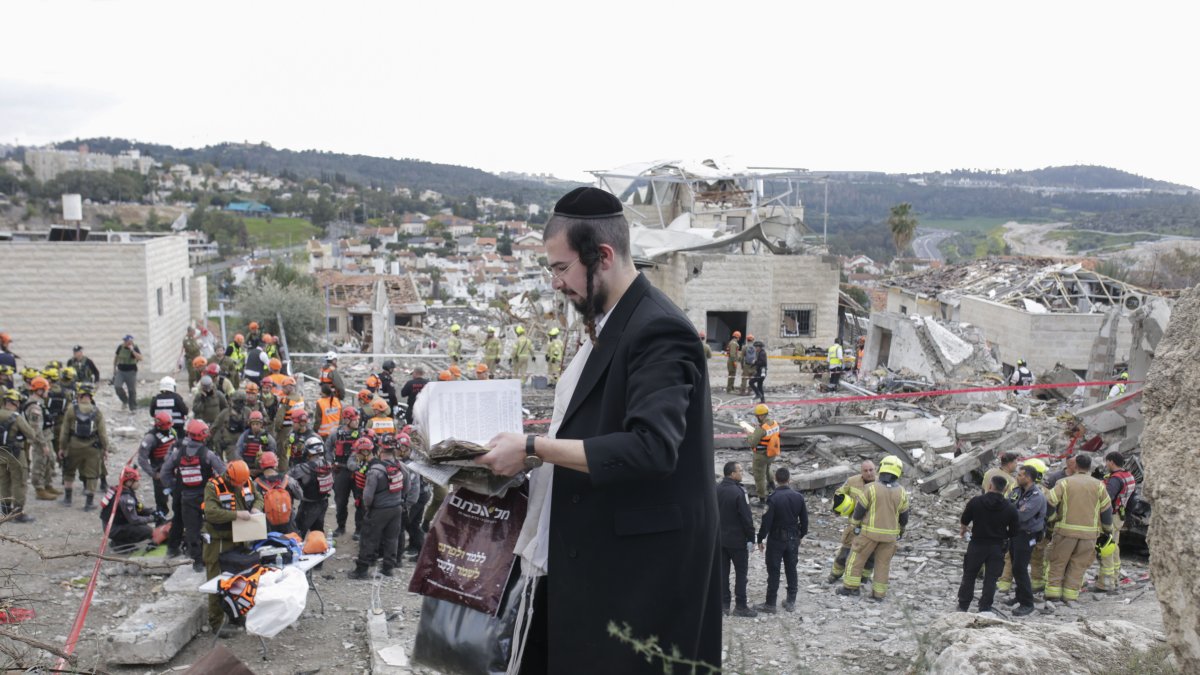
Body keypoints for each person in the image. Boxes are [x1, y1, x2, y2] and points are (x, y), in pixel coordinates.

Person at [476, 186, 721, 673]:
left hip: (638, 582)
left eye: (561, 268)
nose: (555, 284)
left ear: (602, 256)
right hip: (592, 567)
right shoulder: (613, 320)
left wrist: (534, 447)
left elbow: (651, 448)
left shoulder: (657, 329)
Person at [201, 459, 262, 634]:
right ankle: (217, 623)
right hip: (219, 541)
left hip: (242, 539)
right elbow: (211, 513)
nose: (240, 485)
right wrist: (235, 515)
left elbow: (258, 497)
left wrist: (256, 508)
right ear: (229, 476)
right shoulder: (213, 487)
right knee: (216, 582)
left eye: (243, 482)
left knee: (239, 580)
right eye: (237, 483)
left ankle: (237, 615)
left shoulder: (247, 481)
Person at [1044, 453, 1113, 605]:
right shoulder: (1099, 485)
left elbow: (1050, 501)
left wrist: (1051, 520)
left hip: (1065, 532)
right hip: (1089, 535)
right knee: (1079, 565)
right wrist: (1108, 530)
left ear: (1075, 466)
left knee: (1058, 562)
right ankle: (1070, 595)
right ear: (1091, 467)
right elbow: (1107, 510)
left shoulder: (1064, 483)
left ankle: (1053, 594)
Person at [839, 455, 909, 600]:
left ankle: (851, 588)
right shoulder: (901, 492)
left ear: (881, 468)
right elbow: (904, 516)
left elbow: (859, 509)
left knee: (856, 558)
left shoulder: (871, 488)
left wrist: (855, 524)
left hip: (868, 533)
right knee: (883, 565)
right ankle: (879, 594)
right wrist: (901, 530)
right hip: (890, 537)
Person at [160, 419, 226, 570]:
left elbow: (164, 472)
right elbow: (223, 472)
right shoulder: (208, 454)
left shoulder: (178, 453)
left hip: (186, 497)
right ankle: (214, 555)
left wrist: (173, 486)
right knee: (213, 524)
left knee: (191, 529)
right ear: (203, 435)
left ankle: (197, 561)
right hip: (206, 497)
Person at [348, 435, 416, 579]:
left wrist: (368, 507)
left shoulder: (375, 470)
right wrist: (397, 499)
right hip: (397, 508)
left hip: (379, 509)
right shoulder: (401, 466)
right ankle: (388, 568)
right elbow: (407, 487)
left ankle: (362, 570)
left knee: (369, 538)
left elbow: (367, 496)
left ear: (379, 449)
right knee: (392, 539)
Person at [957, 475, 1020, 613]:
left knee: (969, 575)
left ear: (990, 486)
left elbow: (965, 520)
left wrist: (964, 530)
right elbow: (1015, 531)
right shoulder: (1010, 507)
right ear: (1006, 489)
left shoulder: (976, 501)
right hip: (997, 547)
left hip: (977, 544)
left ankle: (963, 605)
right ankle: (985, 607)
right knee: (991, 579)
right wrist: (1004, 536)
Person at [755, 467, 808, 614]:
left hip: (776, 539)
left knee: (774, 570)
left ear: (776, 480)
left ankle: (770, 603)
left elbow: (766, 521)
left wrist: (760, 538)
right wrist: (800, 536)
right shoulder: (798, 497)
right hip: (792, 538)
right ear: (789, 479)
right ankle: (791, 601)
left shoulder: (773, 498)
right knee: (791, 569)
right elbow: (804, 520)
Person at [1004, 461, 1047, 616]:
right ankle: (1019, 595)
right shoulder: (1017, 491)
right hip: (1016, 534)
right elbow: (1006, 505)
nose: (1017, 477)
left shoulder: (1036, 496)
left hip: (1027, 534)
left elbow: (1022, 515)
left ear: (1028, 478)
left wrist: (1012, 510)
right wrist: (1013, 509)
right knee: (1015, 564)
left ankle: (1027, 603)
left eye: (1020, 475)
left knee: (1020, 568)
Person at [59, 383, 110, 511]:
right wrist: (105, 448)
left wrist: (62, 447)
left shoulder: (71, 409)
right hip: (92, 447)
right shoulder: (96, 410)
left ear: (79, 395)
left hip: (73, 445)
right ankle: (89, 503)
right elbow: (102, 433)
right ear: (90, 396)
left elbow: (64, 431)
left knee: (69, 471)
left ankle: (67, 499)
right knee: (92, 474)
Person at [716, 461, 756, 618]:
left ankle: (724, 604)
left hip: (719, 539)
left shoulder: (716, 489)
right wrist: (751, 538)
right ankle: (740, 606)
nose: (742, 473)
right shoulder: (739, 492)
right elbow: (746, 518)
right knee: (741, 573)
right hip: (737, 540)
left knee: (723, 572)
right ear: (732, 474)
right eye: (740, 470)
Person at [828, 460, 877, 583]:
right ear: (861, 472)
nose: (869, 473)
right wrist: (837, 507)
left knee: (871, 555)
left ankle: (864, 578)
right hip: (854, 525)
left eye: (871, 470)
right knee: (844, 552)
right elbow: (839, 493)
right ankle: (835, 574)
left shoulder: (881, 485)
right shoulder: (852, 481)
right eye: (865, 470)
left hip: (872, 527)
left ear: (875, 470)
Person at [1096, 451, 1136, 593]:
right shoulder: (1129, 476)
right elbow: (1132, 499)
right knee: (1114, 546)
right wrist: (1129, 515)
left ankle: (1105, 584)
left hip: (1110, 516)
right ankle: (1115, 577)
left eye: (1107, 462)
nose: (1106, 465)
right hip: (1120, 515)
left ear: (1111, 462)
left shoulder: (1115, 479)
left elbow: (1107, 498)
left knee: (1106, 547)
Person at [0, 389, 42, 522]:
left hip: (1, 454)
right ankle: (18, 513)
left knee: (4, 482)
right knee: (19, 482)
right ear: (15, 402)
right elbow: (31, 434)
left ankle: (5, 511)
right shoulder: (16, 417)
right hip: (16, 455)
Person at [100, 467, 160, 549]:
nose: (139, 483)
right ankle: (120, 545)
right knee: (147, 531)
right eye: (137, 481)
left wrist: (152, 512)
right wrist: (152, 518)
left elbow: (138, 507)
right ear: (129, 482)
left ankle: (118, 541)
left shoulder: (119, 489)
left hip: (112, 525)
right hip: (114, 529)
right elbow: (134, 520)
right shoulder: (125, 498)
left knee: (143, 523)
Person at [327, 407, 363, 538]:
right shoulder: (336, 434)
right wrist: (330, 462)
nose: (357, 422)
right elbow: (328, 448)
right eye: (354, 420)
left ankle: (359, 529)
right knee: (340, 501)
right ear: (347, 420)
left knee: (360, 500)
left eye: (358, 420)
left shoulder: (362, 434)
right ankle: (341, 526)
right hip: (341, 470)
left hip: (357, 471)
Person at [22, 377, 59, 501]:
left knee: (50, 461)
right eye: (45, 390)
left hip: (47, 437)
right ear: (39, 390)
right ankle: (39, 488)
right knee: (40, 462)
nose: (47, 392)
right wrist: (43, 444)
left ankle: (47, 484)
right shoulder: (34, 407)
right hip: (41, 440)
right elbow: (36, 429)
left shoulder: (40, 403)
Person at [288, 435, 333, 538]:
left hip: (308, 505)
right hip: (323, 502)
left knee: (298, 532)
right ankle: (319, 549)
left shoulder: (303, 468)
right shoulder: (327, 464)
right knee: (317, 531)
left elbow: (288, 477)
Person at [136, 411, 177, 517]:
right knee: (162, 505)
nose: (168, 428)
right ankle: (160, 526)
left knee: (180, 500)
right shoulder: (150, 438)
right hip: (160, 474)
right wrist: (153, 474)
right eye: (166, 426)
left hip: (174, 472)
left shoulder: (172, 432)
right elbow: (142, 459)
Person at [254, 451, 301, 535]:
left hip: (267, 526)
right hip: (289, 524)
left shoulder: (256, 483)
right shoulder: (288, 480)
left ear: (261, 465)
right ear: (276, 464)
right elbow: (300, 495)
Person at [745, 403, 780, 507]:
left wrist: (749, 434)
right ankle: (772, 485)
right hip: (771, 453)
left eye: (757, 416)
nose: (757, 418)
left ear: (760, 416)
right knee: (768, 468)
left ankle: (762, 499)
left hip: (761, 456)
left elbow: (752, 443)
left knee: (759, 476)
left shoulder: (761, 429)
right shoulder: (774, 423)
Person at [234, 410, 276, 475]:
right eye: (253, 424)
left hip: (262, 468)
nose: (255, 426)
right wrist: (242, 465)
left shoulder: (266, 436)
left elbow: (272, 451)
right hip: (247, 467)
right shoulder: (245, 435)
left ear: (261, 424)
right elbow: (238, 450)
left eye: (257, 424)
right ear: (250, 424)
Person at [112, 334, 143, 412]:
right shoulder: (120, 347)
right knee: (117, 386)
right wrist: (114, 368)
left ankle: (133, 407)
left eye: (128, 341)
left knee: (132, 390)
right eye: (125, 341)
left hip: (131, 371)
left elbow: (140, 358)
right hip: (121, 371)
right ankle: (124, 400)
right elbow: (116, 357)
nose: (126, 342)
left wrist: (132, 350)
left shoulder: (135, 347)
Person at [748, 339, 767, 403]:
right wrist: (753, 364)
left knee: (751, 382)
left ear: (759, 347)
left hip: (761, 372)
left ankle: (758, 394)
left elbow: (762, 362)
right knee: (759, 386)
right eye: (755, 347)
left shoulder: (762, 353)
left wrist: (755, 362)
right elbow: (760, 361)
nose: (755, 348)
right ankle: (762, 400)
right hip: (761, 371)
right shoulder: (760, 352)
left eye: (756, 347)